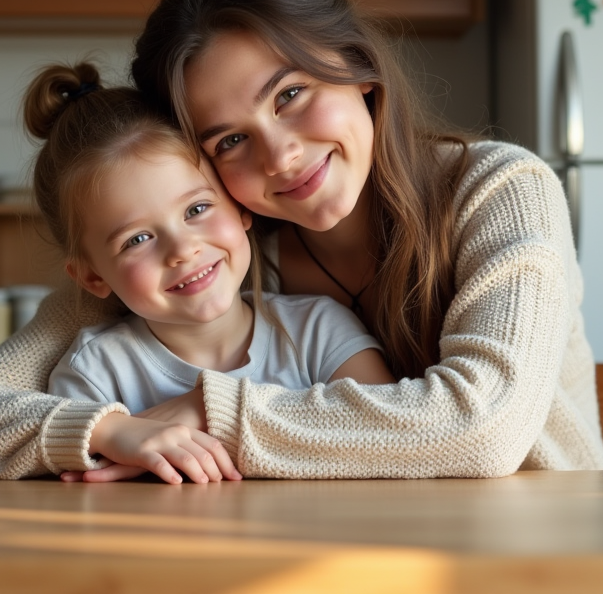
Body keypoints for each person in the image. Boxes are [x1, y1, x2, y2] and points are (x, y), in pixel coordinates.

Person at [0, 0, 603, 482]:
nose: (281, 156)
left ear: (359, 67)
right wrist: (108, 429)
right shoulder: (219, 257)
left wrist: (207, 414)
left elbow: (482, 431)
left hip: (544, 550)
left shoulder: (498, 189)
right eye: (230, 139)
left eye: (291, 94)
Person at [34, 63, 395, 482]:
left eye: (197, 210)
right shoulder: (94, 371)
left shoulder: (318, 330)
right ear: (92, 277)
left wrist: (211, 411)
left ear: (239, 208)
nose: (183, 249)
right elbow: (66, 481)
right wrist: (108, 434)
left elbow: (393, 424)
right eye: (136, 239)